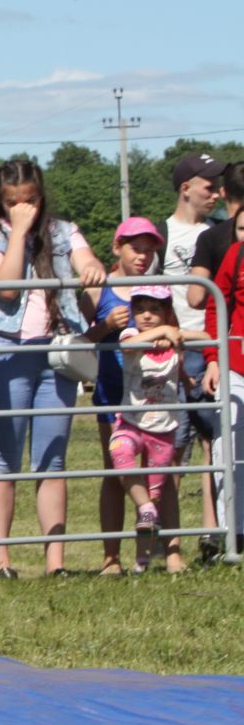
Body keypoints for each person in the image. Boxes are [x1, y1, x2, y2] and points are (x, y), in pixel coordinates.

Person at [0, 158, 106, 577]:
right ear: (1, 201)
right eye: (12, 202)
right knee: (4, 461)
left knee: (52, 459)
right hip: (8, 353)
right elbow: (6, 284)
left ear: (41, 196)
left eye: (29, 200)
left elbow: (87, 262)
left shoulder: (65, 231)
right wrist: (20, 235)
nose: (21, 207)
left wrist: (91, 267)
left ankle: (55, 563)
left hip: (58, 354)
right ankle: (3, 559)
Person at [84, 218, 169, 571]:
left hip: (153, 395)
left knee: (157, 474)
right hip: (112, 392)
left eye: (150, 250)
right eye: (136, 248)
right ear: (117, 247)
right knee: (115, 472)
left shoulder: (161, 287)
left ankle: (148, 555)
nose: (144, 256)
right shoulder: (100, 288)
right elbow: (82, 342)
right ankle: (110, 557)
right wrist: (106, 326)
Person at [160, 151, 224, 543]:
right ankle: (169, 541)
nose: (216, 193)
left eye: (220, 186)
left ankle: (211, 536)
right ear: (186, 189)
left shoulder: (222, 231)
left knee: (212, 442)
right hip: (170, 349)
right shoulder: (159, 234)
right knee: (171, 443)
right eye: (209, 186)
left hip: (213, 347)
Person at [104, 286, 188, 574]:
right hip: (132, 422)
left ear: (166, 311)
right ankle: (145, 507)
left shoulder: (173, 339)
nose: (147, 316)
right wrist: (164, 331)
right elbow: (127, 346)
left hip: (163, 428)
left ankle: (144, 559)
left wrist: (175, 334)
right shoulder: (131, 335)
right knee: (120, 452)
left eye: (154, 310)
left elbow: (201, 338)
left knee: (157, 492)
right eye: (140, 311)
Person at [189, 161, 243, 560]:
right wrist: (213, 358)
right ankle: (232, 535)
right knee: (229, 448)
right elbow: (214, 306)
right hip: (235, 364)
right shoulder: (235, 254)